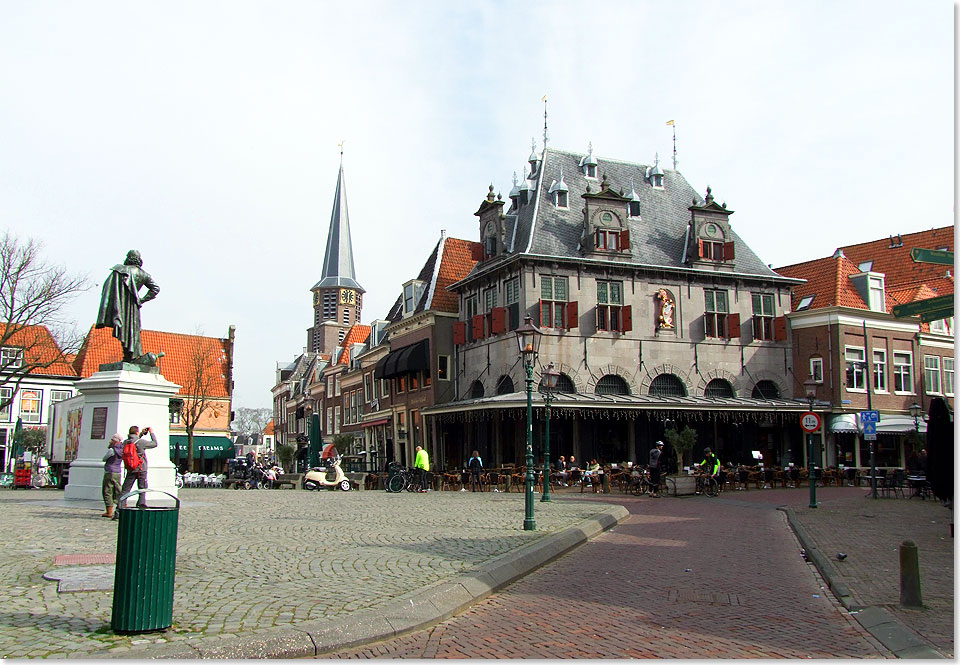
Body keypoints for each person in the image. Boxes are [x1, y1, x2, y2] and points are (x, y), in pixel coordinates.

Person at [95, 249, 160, 363]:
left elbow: (108, 289)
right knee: (133, 331)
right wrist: (142, 300)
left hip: (120, 305)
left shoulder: (119, 270)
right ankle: (130, 357)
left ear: (129, 258)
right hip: (134, 307)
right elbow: (155, 289)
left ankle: (128, 357)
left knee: (124, 329)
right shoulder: (143, 274)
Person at [115, 425, 158, 517]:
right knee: (142, 488)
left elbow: (135, 441)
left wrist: (142, 434)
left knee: (125, 490)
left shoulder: (126, 442)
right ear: (137, 432)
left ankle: (119, 510)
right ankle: (141, 506)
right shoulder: (141, 442)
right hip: (141, 468)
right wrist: (151, 433)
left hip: (130, 469)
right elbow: (154, 443)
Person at [100, 434, 124, 518]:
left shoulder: (112, 450)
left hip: (110, 471)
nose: (110, 441)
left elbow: (104, 458)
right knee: (118, 490)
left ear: (115, 441)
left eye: (111, 440)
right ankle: (122, 506)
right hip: (118, 471)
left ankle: (109, 511)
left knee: (108, 491)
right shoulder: (122, 449)